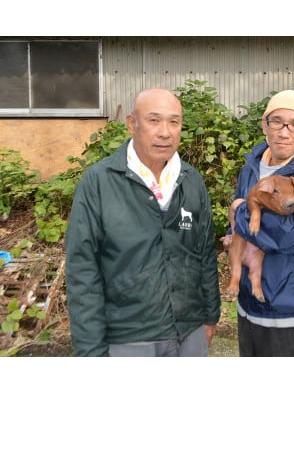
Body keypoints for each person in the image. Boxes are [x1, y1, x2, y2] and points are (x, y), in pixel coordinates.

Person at [66, 88, 220, 356]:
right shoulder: (100, 182)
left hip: (189, 331)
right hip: (129, 337)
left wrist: (210, 316)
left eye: (174, 122)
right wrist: (90, 349)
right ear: (131, 124)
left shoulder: (191, 180)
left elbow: (205, 252)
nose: (165, 132)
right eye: (154, 120)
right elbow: (82, 270)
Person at [229, 89, 294, 356]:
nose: (283, 132)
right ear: (265, 124)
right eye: (276, 121)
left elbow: (290, 233)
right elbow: (240, 231)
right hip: (247, 303)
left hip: (289, 305)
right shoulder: (250, 167)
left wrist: (240, 211)